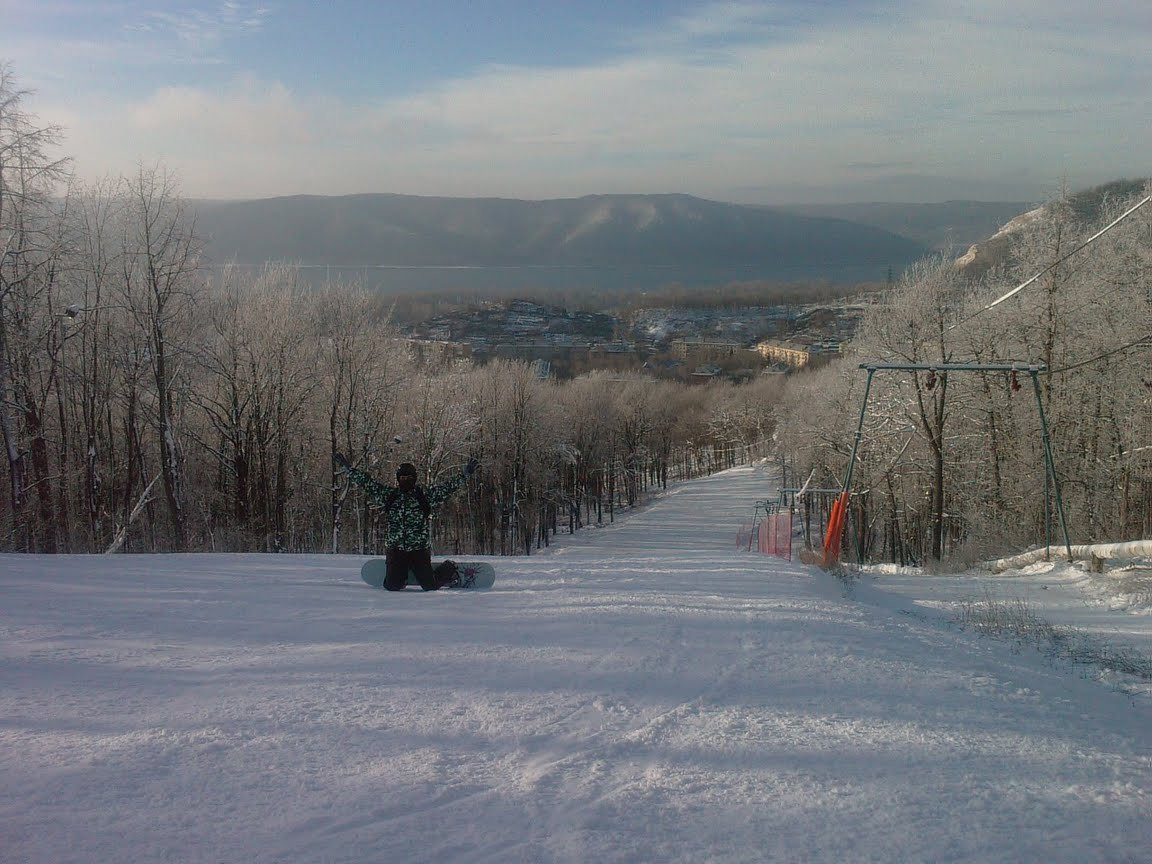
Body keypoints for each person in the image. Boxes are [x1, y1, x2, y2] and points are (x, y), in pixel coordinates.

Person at [335, 455, 478, 591]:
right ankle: (400, 576)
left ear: (414, 478)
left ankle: (449, 568)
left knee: (430, 586)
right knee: (391, 586)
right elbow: (367, 483)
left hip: (419, 549)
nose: (406, 480)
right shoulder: (389, 495)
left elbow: (447, 488)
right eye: (402, 478)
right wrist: (348, 469)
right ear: (398, 479)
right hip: (396, 549)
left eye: (409, 477)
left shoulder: (423, 496)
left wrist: (464, 475)